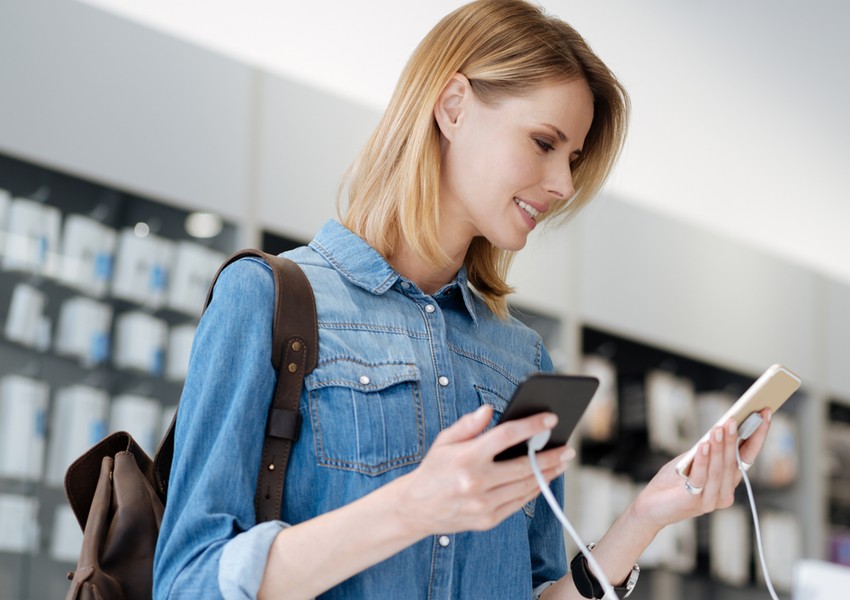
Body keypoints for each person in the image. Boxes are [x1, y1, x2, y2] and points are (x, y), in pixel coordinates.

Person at [153, 1, 773, 598]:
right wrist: (411, 507)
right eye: (543, 142)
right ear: (453, 107)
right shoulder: (267, 300)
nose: (561, 184)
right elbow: (188, 583)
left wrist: (647, 515)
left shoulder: (520, 357)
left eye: (573, 159)